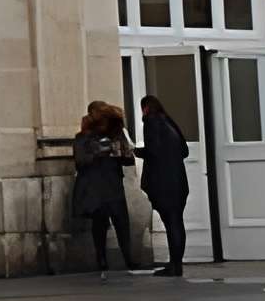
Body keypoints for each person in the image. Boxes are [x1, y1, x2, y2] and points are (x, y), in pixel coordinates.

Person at [71, 100, 139, 278]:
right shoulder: (83, 137)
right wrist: (98, 152)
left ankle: (128, 258)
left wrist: (122, 152)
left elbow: (128, 160)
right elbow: (80, 161)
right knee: (100, 224)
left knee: (122, 222)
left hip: (114, 184)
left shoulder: (116, 135)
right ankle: (101, 259)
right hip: (96, 187)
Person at [136, 94, 192, 277]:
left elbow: (153, 151)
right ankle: (177, 263)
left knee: (171, 222)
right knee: (177, 221)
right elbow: (185, 150)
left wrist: (136, 151)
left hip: (163, 181)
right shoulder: (169, 122)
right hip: (178, 180)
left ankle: (174, 265)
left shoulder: (151, 122)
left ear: (145, 108)